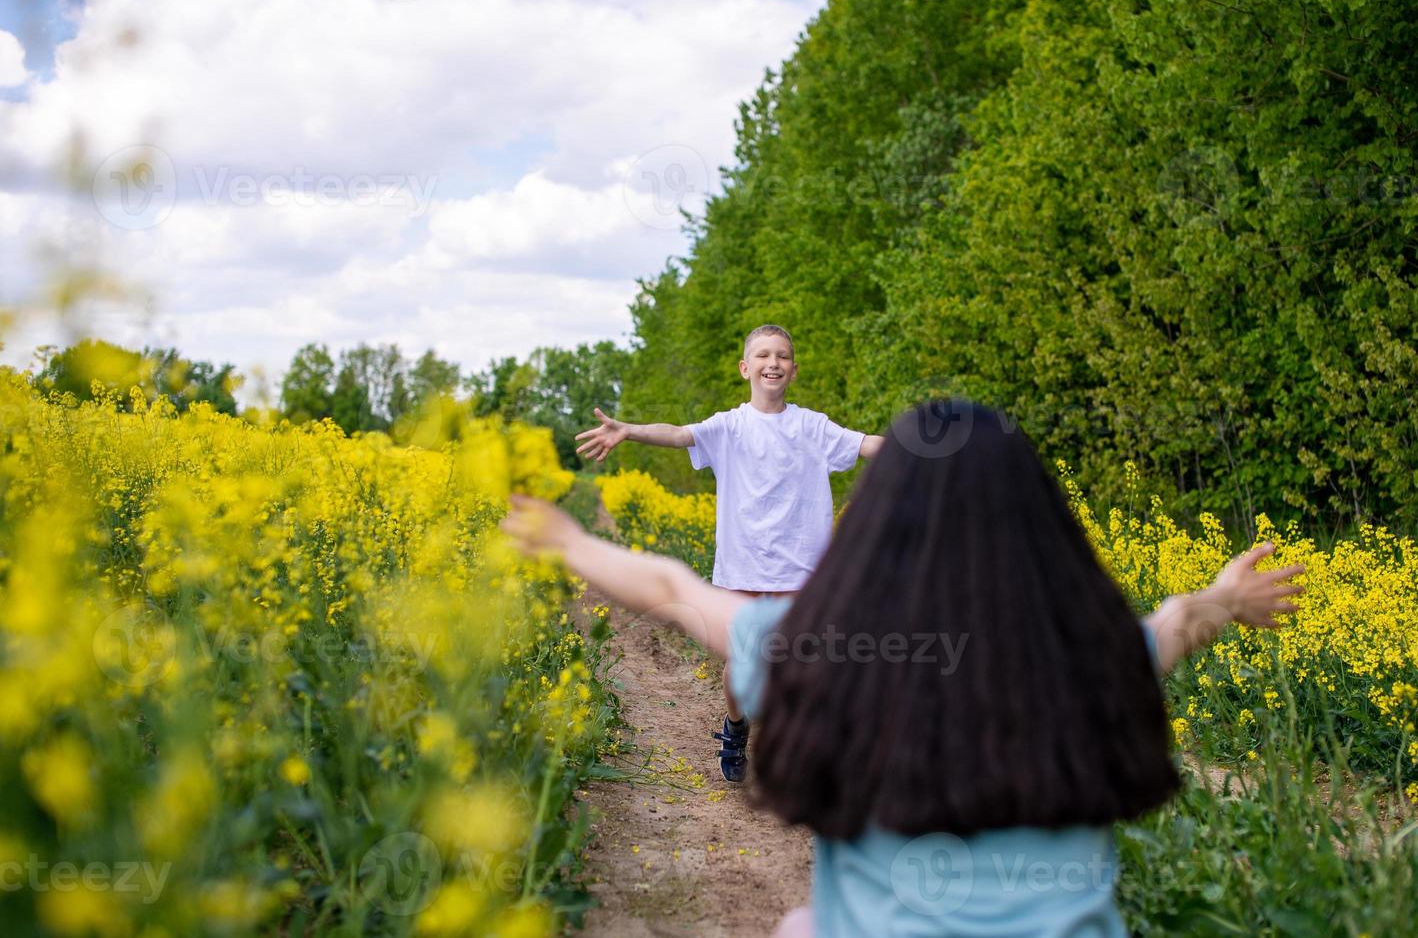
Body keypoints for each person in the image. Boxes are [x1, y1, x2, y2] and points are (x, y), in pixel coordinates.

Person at [506, 401, 1305, 937]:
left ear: (875, 527)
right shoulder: (1094, 659)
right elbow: (1172, 626)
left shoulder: (823, 655)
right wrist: (1226, 599)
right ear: (1040, 527)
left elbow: (674, 593)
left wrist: (570, 543)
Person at [574, 324, 883, 782]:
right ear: (746, 368)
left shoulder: (813, 426)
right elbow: (678, 435)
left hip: (800, 566)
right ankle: (736, 727)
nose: (772, 363)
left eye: (782, 356)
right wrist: (628, 431)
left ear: (793, 370)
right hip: (743, 561)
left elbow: (866, 445)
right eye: (762, 355)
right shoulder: (729, 425)